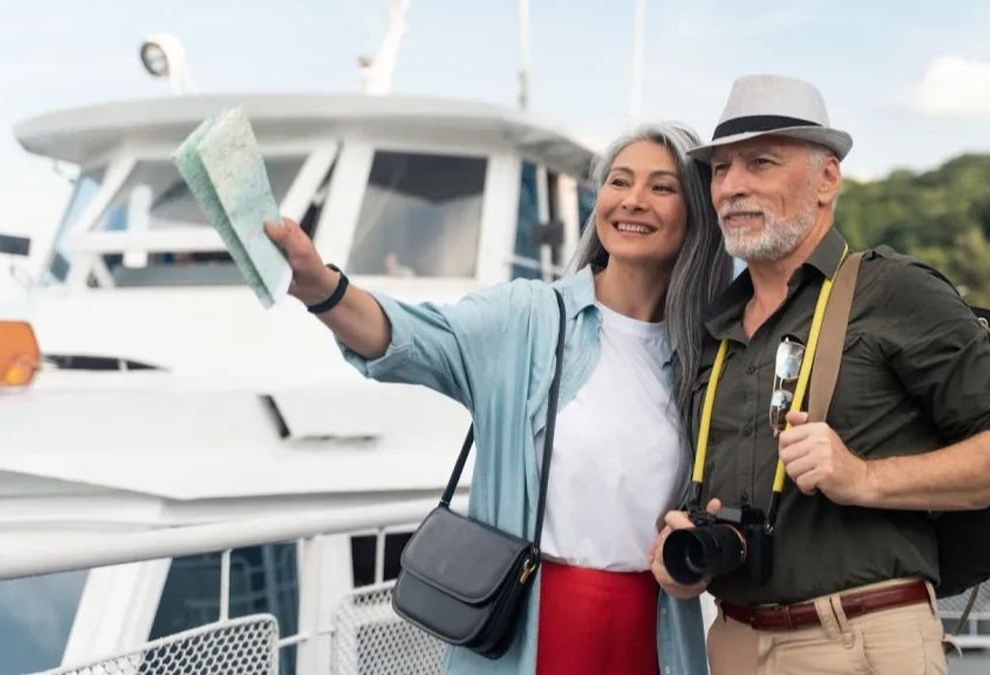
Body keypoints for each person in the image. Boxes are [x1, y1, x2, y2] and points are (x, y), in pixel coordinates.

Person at [265, 122, 731, 675]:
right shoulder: (528, 317)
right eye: (618, 181)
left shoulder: (707, 354)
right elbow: (411, 337)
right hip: (534, 633)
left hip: (655, 637)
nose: (632, 200)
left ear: (695, 214)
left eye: (661, 187)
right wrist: (321, 286)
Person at [647, 75, 990, 674]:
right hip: (733, 644)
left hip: (862, 638)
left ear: (827, 179)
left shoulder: (893, 290)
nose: (732, 187)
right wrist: (685, 554)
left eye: (760, 162)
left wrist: (862, 477)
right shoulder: (713, 330)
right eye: (720, 170)